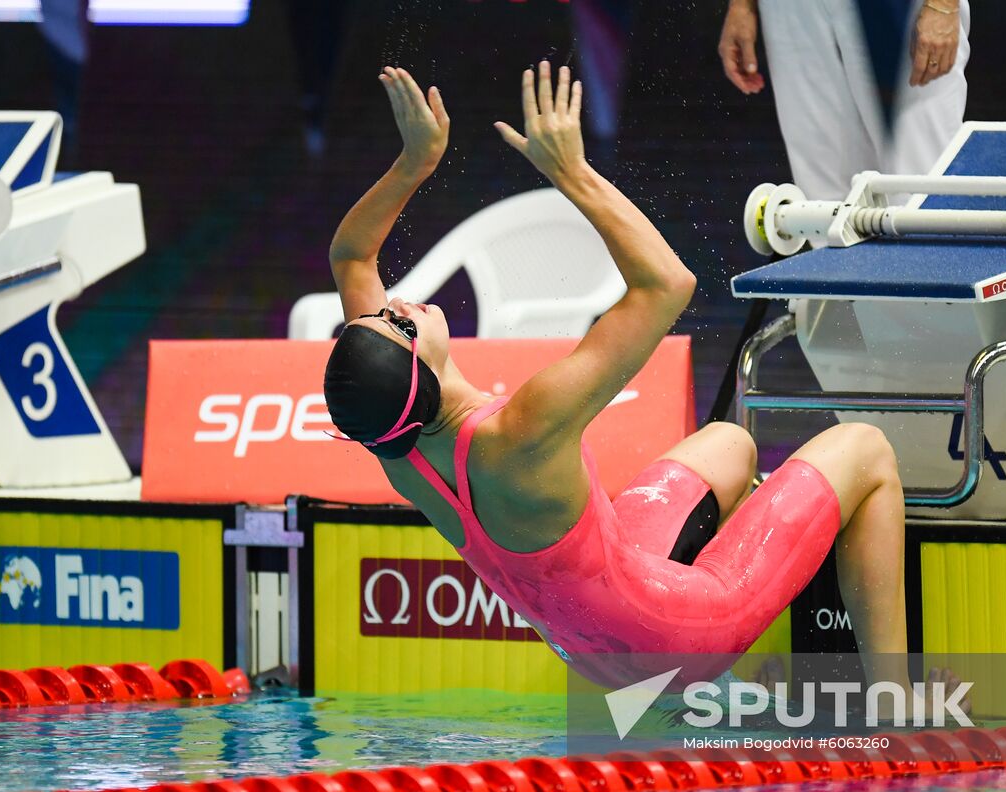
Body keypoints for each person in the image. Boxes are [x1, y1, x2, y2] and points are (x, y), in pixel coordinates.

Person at [323, 61, 956, 703]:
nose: (398, 307)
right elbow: (666, 284)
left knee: (727, 444)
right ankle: (893, 709)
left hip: (598, 650)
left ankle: (752, 670)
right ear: (420, 375)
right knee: (864, 447)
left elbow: (351, 257)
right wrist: (570, 171)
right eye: (397, 327)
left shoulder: (395, 441)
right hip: (678, 639)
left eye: (381, 314)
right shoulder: (524, 428)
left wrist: (415, 162)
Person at [719, 0, 970, 201]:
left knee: (921, 190)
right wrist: (742, 5)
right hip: (792, 10)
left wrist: (944, 3)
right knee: (825, 202)